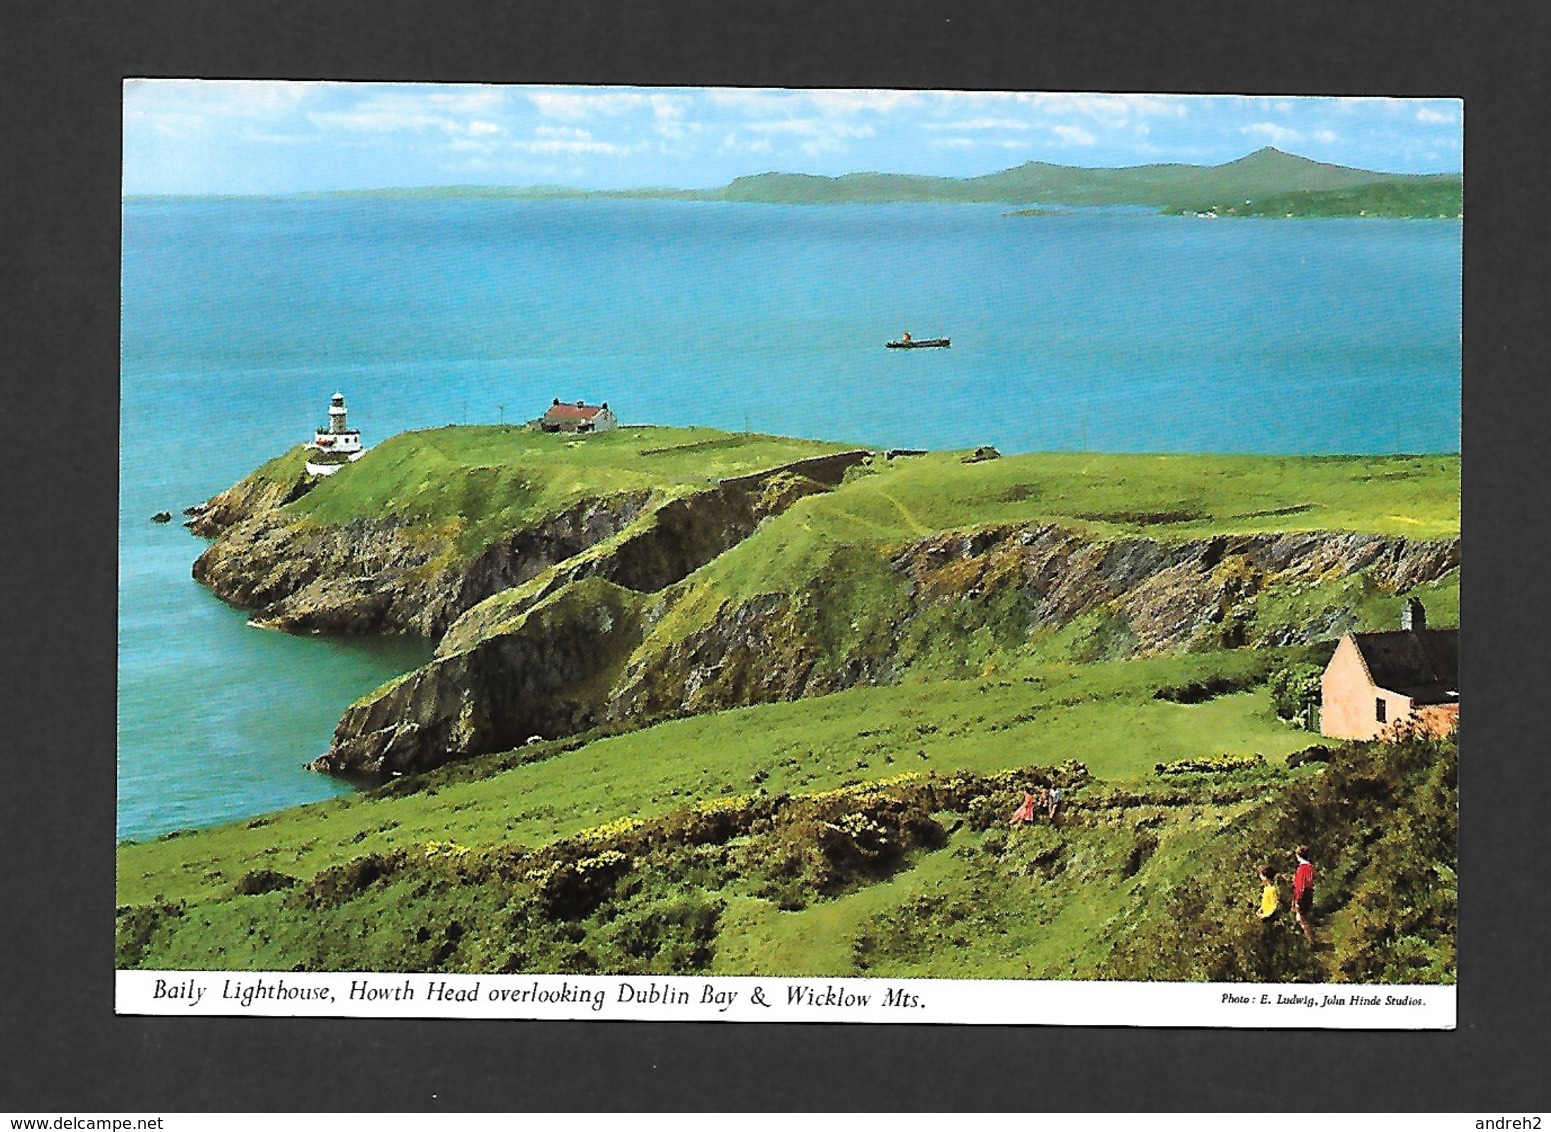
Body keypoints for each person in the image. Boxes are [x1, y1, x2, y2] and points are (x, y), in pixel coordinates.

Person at [1292, 846, 1315, 941]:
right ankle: (1309, 939)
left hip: (1302, 894)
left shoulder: (1302, 869)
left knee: (1301, 919)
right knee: (1304, 917)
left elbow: (1300, 885)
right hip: (1309, 893)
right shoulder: (1310, 867)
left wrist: (1297, 899)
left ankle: (1311, 940)